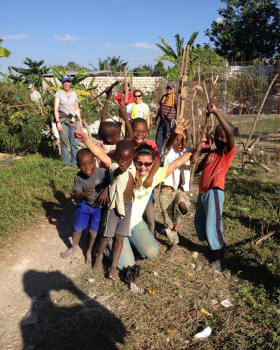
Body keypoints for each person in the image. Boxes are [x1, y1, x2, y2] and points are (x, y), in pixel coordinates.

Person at [104, 144, 193, 269]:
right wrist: (86, 140)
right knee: (126, 264)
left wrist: (192, 153)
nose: (143, 167)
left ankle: (129, 244)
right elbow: (104, 158)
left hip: (136, 223)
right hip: (118, 226)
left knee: (152, 252)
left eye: (147, 164)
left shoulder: (154, 176)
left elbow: (176, 163)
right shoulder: (124, 173)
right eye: (139, 163)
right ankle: (104, 249)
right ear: (133, 162)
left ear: (152, 165)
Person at [193, 103, 236, 271]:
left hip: (214, 192)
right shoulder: (211, 154)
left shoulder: (227, 153)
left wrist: (216, 112)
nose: (220, 139)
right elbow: (198, 170)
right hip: (203, 192)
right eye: (217, 136)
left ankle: (220, 260)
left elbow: (230, 133)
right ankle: (213, 250)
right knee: (202, 224)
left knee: (213, 226)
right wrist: (194, 160)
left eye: (223, 137)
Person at [93, 140, 135, 280]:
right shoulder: (114, 168)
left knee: (120, 236)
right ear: (116, 157)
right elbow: (117, 172)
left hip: (128, 206)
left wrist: (138, 178)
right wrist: (120, 169)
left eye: (127, 160)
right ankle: (99, 255)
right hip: (115, 206)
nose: (124, 163)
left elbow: (133, 174)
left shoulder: (132, 168)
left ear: (132, 158)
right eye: (121, 159)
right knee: (107, 235)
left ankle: (113, 265)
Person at [60, 148, 110, 264]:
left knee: (94, 231)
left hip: (98, 208)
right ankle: (74, 246)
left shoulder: (102, 173)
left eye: (90, 163)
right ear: (78, 165)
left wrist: (106, 190)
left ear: (95, 161)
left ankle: (89, 251)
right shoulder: (78, 177)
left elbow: (112, 182)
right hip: (85, 205)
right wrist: (83, 194)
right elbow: (76, 195)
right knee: (77, 228)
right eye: (83, 165)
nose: (87, 167)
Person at [160, 125, 192, 253]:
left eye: (183, 140)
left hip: (179, 190)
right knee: (168, 221)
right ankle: (174, 242)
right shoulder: (167, 151)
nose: (180, 143)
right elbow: (168, 144)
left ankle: (179, 221)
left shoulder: (187, 151)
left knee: (183, 207)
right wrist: (175, 132)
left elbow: (203, 148)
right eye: (177, 139)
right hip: (166, 191)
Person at [131, 118, 161, 236]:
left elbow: (158, 161)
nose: (139, 134)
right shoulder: (129, 145)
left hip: (147, 188)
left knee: (149, 215)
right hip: (133, 187)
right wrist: (137, 175)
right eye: (136, 130)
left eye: (143, 131)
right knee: (134, 214)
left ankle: (151, 237)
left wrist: (151, 176)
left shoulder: (151, 145)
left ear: (147, 132)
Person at [95, 86, 134, 168]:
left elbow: (103, 117)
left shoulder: (100, 140)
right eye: (117, 135)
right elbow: (131, 136)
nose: (120, 136)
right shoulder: (115, 147)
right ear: (109, 139)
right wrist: (125, 117)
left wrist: (108, 97)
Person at [54, 75, 83, 167]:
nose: (66, 83)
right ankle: (66, 165)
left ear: (70, 83)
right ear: (62, 84)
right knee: (64, 141)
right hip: (62, 120)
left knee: (74, 142)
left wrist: (80, 122)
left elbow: (76, 108)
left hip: (73, 120)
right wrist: (58, 122)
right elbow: (55, 109)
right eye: (64, 82)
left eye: (68, 82)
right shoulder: (59, 93)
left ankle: (75, 163)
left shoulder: (74, 94)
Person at [155, 84, 177, 156]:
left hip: (170, 121)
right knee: (159, 136)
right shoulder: (164, 97)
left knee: (168, 137)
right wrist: (157, 117)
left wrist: (176, 120)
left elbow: (178, 109)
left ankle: (167, 154)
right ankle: (158, 154)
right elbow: (160, 108)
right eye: (167, 88)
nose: (168, 89)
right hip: (162, 120)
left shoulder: (175, 98)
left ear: (173, 89)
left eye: (170, 88)